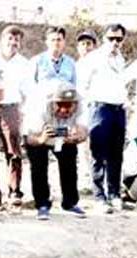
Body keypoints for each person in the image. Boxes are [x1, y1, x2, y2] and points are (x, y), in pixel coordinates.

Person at [79, 23, 128, 213]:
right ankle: (99, 196)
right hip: (99, 109)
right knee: (98, 153)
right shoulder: (93, 58)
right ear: (104, 39)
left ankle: (114, 193)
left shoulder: (120, 59)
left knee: (116, 154)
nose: (115, 42)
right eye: (111, 38)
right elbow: (82, 87)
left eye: (119, 39)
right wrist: (85, 115)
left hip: (118, 110)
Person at [23, 83, 88, 220]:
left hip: (64, 138)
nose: (64, 110)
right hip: (39, 135)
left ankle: (70, 203)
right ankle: (42, 204)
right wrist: (41, 139)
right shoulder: (39, 109)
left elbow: (84, 133)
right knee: (39, 167)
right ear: (52, 103)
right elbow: (29, 139)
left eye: (69, 105)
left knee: (70, 165)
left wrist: (75, 138)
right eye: (60, 105)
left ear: (75, 104)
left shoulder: (81, 108)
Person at [0, 24, 28, 208]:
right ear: (2, 40)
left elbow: (27, 91)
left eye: (16, 40)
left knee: (13, 152)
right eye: (9, 39)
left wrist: (23, 112)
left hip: (11, 109)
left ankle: (14, 191)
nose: (13, 43)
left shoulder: (24, 64)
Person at [30, 26, 76, 101]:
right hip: (43, 103)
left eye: (59, 40)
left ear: (64, 42)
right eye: (53, 40)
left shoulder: (71, 63)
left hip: (65, 104)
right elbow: (30, 85)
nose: (56, 43)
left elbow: (74, 85)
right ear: (47, 42)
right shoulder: (36, 61)